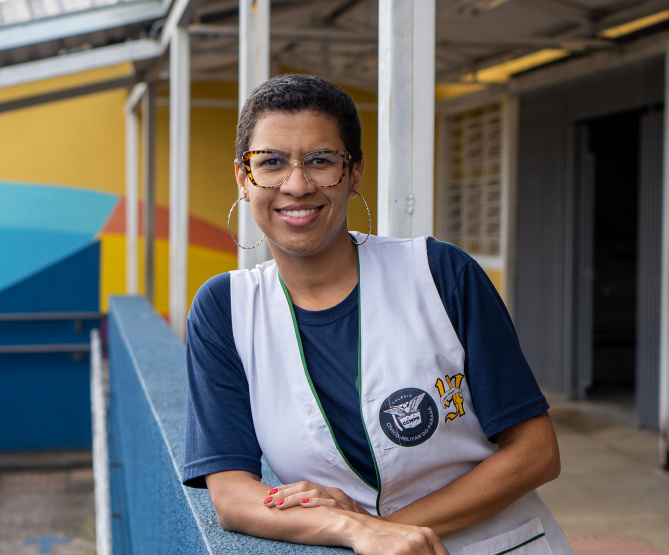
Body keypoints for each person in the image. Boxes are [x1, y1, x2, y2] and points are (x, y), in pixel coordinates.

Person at [182, 73, 573, 555]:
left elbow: (537, 453)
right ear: (244, 178)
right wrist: (351, 530)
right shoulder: (225, 310)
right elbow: (232, 495)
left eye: (321, 161)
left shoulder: (439, 272)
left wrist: (384, 528)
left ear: (354, 173)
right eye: (272, 163)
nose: (297, 185)